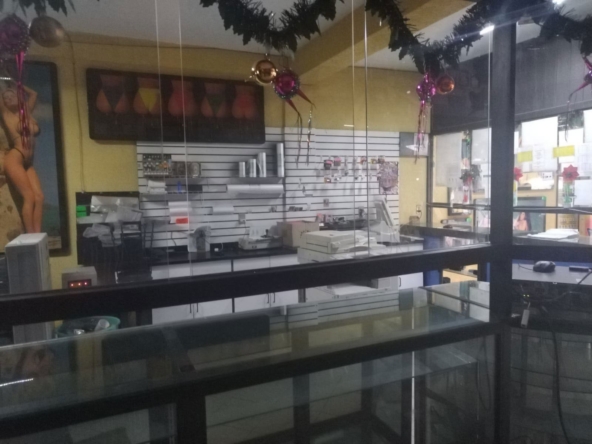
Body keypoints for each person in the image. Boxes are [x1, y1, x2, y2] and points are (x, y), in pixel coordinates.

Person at [0, 84, 42, 233]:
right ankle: (31, 235)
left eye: (11, 95)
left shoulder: (26, 112)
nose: (8, 98)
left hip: (27, 162)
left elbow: (34, 94)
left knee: (39, 197)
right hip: (15, 159)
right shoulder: (6, 115)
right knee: (29, 196)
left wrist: (18, 84)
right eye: (5, 98)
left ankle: (37, 235)